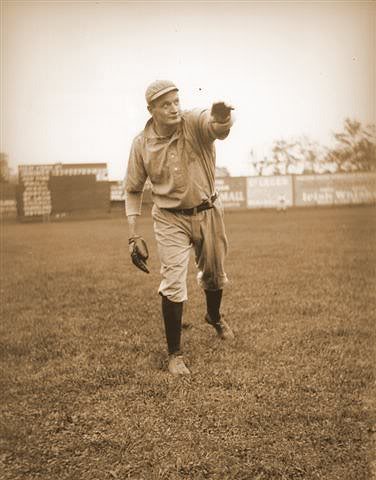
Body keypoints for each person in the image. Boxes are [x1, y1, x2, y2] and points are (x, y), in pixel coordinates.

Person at [125, 79, 235, 376]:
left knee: (214, 274)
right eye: (165, 104)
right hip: (170, 217)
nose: (174, 108)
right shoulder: (141, 144)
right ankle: (174, 354)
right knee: (173, 280)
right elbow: (133, 189)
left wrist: (223, 117)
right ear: (151, 110)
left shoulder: (193, 122)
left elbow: (216, 128)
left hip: (208, 210)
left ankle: (214, 316)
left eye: (176, 101)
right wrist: (133, 233)